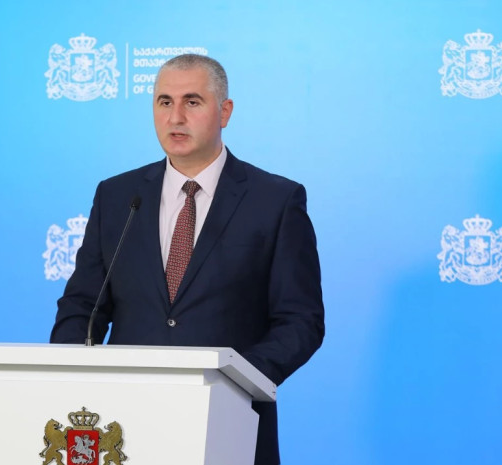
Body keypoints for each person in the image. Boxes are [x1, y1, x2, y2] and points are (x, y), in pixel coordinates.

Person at [50, 54, 325, 465]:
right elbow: (82, 307)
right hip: (124, 430)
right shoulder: (118, 196)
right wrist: (69, 382)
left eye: (192, 102)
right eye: (164, 102)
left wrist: (234, 380)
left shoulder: (275, 201)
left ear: (224, 112)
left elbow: (301, 321)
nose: (175, 117)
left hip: (231, 427)